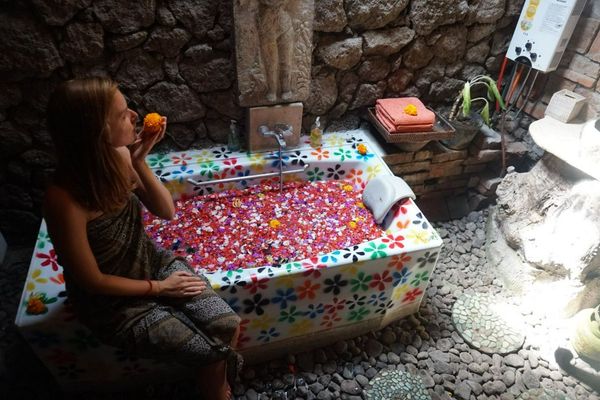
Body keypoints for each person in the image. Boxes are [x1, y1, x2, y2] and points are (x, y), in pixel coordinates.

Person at [44, 77, 241, 400]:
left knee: (226, 324)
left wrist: (139, 160)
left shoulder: (120, 156)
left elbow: (166, 212)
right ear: (96, 132)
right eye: (122, 115)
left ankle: (210, 381)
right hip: (111, 304)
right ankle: (214, 389)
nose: (135, 115)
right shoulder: (64, 200)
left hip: (149, 262)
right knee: (206, 348)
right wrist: (161, 289)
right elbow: (92, 281)